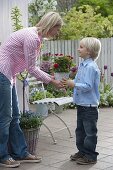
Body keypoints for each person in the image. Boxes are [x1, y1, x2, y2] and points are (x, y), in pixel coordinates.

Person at [0, 11, 64, 168]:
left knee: (15, 116)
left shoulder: (37, 37)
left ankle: (20, 153)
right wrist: (52, 81)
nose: (59, 32)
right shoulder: (32, 37)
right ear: (52, 25)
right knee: (5, 116)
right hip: (2, 72)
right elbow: (32, 68)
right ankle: (2, 155)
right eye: (58, 28)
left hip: (10, 75)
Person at [61, 37, 101, 165]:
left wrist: (74, 84)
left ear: (89, 51)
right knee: (80, 131)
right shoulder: (83, 65)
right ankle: (83, 152)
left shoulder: (90, 67)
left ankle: (90, 156)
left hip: (89, 106)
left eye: (81, 47)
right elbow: (79, 83)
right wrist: (70, 85)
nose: (78, 49)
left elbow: (88, 86)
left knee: (90, 133)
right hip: (82, 104)